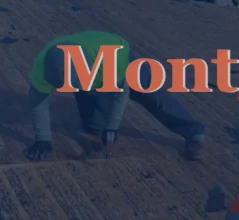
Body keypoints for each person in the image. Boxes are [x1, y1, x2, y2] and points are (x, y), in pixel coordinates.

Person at [26, 30, 206, 161]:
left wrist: (112, 127)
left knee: (149, 94)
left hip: (122, 60)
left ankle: (194, 132)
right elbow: (38, 104)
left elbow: (122, 93)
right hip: (93, 72)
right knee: (94, 126)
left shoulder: (111, 57)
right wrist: (43, 140)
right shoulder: (41, 69)